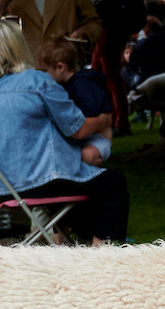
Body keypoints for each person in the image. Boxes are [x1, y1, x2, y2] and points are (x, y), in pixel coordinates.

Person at [0, 18, 123, 244]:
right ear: (20, 45)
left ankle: (65, 241)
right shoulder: (37, 81)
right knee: (113, 183)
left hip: (1, 184)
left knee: (85, 181)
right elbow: (77, 130)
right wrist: (102, 121)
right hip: (43, 181)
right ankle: (99, 253)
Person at [36, 36, 131, 242]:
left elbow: (88, 120)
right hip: (89, 142)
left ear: (60, 67)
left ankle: (95, 241)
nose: (43, 77)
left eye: (45, 71)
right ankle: (67, 233)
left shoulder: (81, 86)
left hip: (95, 141)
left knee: (84, 159)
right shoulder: (74, 85)